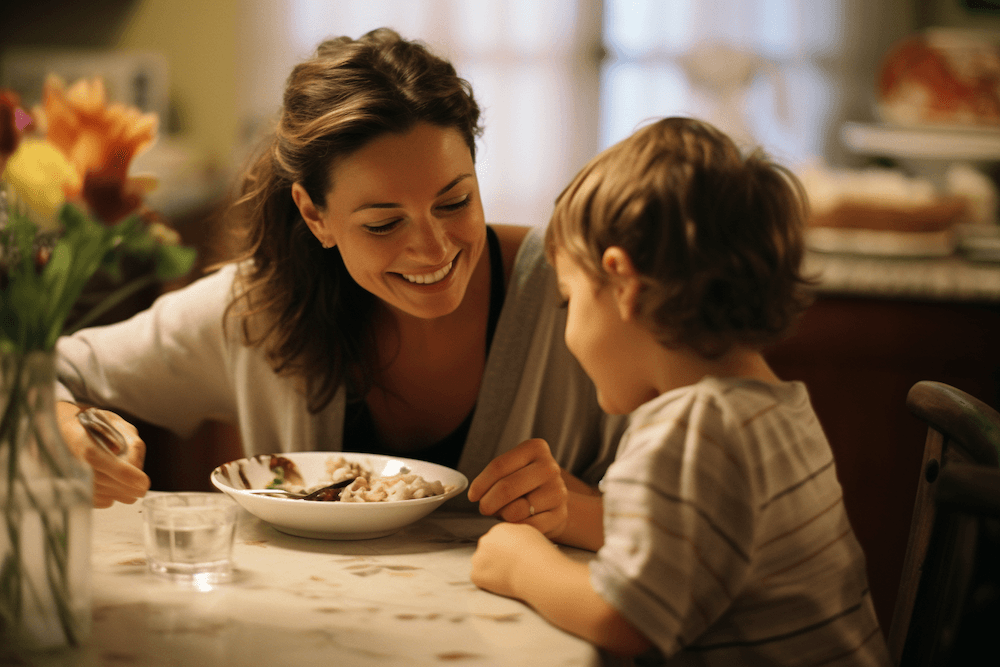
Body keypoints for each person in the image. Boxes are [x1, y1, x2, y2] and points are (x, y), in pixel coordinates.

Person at [53, 28, 625, 512]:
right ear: (315, 215)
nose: (433, 249)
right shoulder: (260, 308)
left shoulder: (579, 293)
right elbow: (43, 372)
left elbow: (704, 523)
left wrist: (583, 510)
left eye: (454, 202)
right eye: (383, 224)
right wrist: (57, 423)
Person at [468, 117, 891, 665]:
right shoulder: (774, 407)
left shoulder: (692, 425)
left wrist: (522, 564)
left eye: (569, 300)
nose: (567, 327)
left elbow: (623, 618)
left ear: (622, 283)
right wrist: (576, 515)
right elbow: (695, 551)